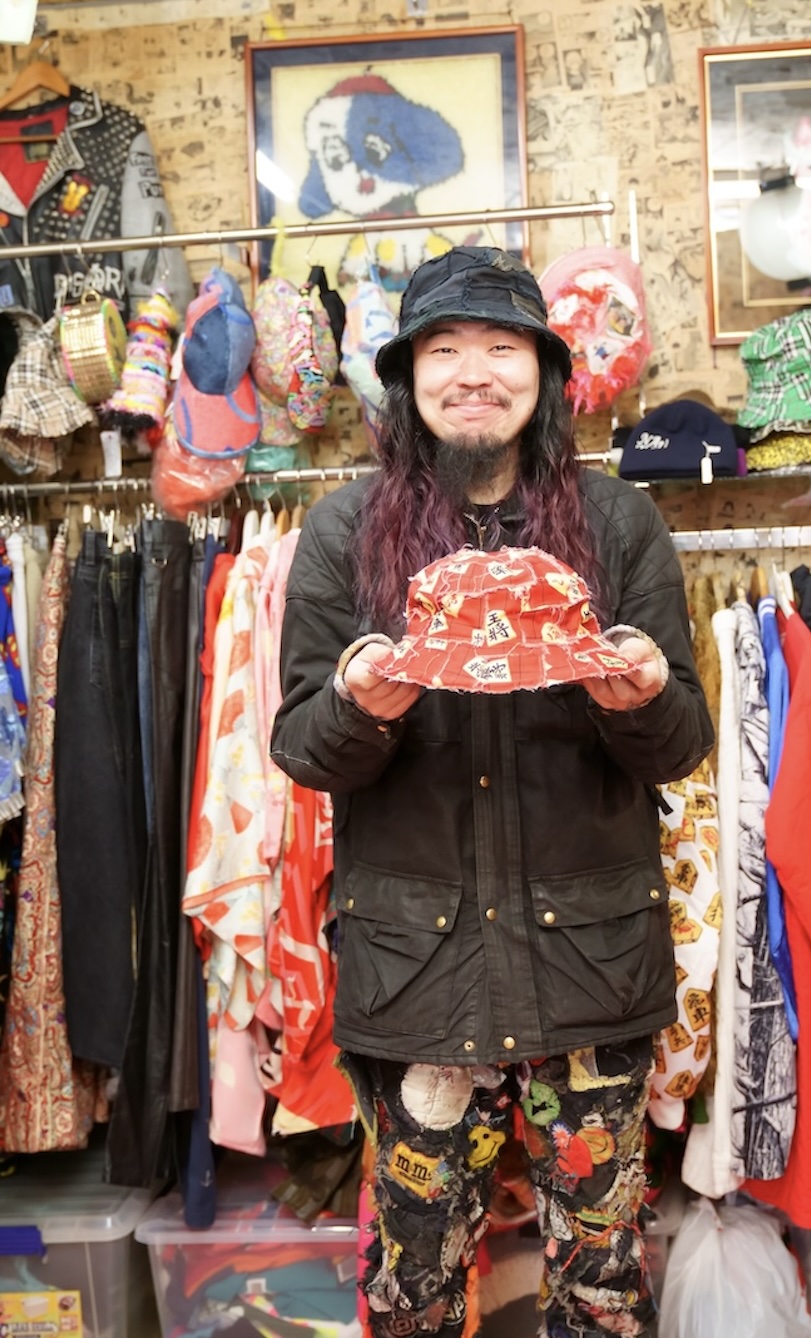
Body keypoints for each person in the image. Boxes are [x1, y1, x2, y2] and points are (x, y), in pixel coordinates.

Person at [270, 246, 713, 1338]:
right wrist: (361, 708)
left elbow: (681, 746)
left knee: (600, 1290)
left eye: (502, 346)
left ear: (545, 372)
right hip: (418, 979)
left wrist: (637, 698)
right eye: (444, 349)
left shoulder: (618, 525)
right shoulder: (343, 533)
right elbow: (303, 750)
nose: (474, 373)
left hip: (590, 970)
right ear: (408, 377)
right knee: (414, 1289)